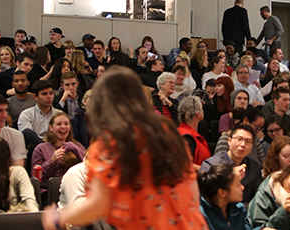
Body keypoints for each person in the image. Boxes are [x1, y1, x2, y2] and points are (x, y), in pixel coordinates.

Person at [41, 66, 207, 230]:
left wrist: (58, 219)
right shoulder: (168, 134)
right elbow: (191, 190)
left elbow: (98, 205)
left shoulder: (110, 145)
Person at [203, 124, 264, 203]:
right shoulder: (211, 164)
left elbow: (259, 195)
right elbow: (204, 195)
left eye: (248, 141)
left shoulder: (254, 166)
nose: (242, 145)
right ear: (229, 141)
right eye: (239, 139)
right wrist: (230, 176)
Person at [32, 112, 84, 188]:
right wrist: (51, 162)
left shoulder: (77, 146)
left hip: (74, 188)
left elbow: (89, 166)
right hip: (48, 191)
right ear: (51, 127)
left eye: (66, 124)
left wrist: (75, 149)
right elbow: (35, 178)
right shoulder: (41, 148)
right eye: (59, 124)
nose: (63, 127)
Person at [198, 164, 251, 230]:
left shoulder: (239, 208)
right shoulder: (201, 215)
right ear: (222, 192)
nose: (242, 187)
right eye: (238, 184)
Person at [177, 96, 211, 167]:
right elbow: (183, 165)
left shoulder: (184, 132)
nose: (203, 111)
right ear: (198, 114)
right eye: (202, 108)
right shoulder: (186, 136)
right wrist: (206, 170)